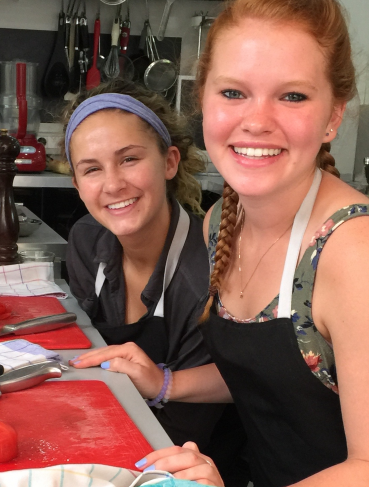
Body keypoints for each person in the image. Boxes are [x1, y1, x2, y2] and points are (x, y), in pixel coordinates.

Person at [70, 1, 369, 486]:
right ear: (203, 100)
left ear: (333, 117)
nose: (257, 120)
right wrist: (166, 383)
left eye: (292, 96)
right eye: (233, 92)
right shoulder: (221, 224)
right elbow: (269, 376)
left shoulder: (358, 251)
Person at [63, 81, 248, 484]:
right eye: (92, 169)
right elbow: (83, 356)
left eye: (129, 159)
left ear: (169, 162)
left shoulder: (208, 274)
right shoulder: (85, 241)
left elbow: (182, 436)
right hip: (109, 430)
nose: (112, 184)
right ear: (77, 186)